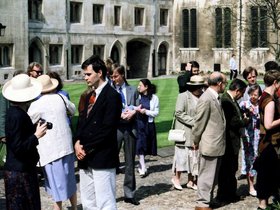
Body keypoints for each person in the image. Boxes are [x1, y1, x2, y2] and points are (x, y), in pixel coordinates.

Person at [74, 55, 122, 210]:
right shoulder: (89, 96)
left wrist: (85, 148)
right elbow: (81, 123)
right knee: (88, 202)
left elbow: (107, 129)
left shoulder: (112, 96)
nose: (85, 77)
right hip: (85, 157)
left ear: (99, 73)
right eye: (84, 74)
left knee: (105, 202)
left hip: (102, 156)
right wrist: (76, 143)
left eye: (88, 74)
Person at [28, 75, 77, 210]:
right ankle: (74, 207)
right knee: (69, 180)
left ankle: (58, 208)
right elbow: (72, 110)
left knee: (56, 185)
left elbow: (29, 121)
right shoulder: (61, 98)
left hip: (50, 149)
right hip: (66, 145)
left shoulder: (36, 104)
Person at [2, 74, 47, 210]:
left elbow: (18, 137)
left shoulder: (16, 112)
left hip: (20, 169)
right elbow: (18, 146)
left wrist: (32, 129)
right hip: (20, 172)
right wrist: (36, 136)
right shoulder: (16, 115)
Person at [191, 72, 227, 210]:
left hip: (216, 144)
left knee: (213, 177)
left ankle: (208, 200)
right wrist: (195, 141)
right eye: (225, 82)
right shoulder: (206, 99)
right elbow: (198, 123)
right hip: (209, 144)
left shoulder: (215, 97)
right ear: (219, 83)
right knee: (206, 176)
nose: (225, 85)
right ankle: (202, 203)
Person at [215, 79, 248, 205]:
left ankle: (230, 194)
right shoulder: (226, 101)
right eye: (242, 93)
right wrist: (245, 121)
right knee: (226, 170)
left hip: (232, 140)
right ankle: (224, 196)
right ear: (237, 91)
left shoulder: (231, 100)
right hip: (228, 141)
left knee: (231, 169)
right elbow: (232, 122)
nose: (241, 95)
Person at [171, 75, 206, 191]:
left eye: (201, 87)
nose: (200, 89)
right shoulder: (183, 96)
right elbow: (179, 113)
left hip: (197, 132)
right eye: (198, 87)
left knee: (194, 157)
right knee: (182, 157)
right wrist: (194, 122)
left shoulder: (203, 97)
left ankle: (191, 180)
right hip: (185, 131)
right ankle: (176, 179)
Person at [111, 65, 140, 205]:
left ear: (122, 75)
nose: (113, 79)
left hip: (130, 128)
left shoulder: (133, 89)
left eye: (116, 76)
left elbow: (139, 106)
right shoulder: (110, 90)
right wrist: (118, 114)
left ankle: (129, 194)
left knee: (129, 163)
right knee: (110, 162)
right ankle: (109, 193)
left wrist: (134, 112)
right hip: (116, 129)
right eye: (112, 76)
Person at [255, 70, 280, 210]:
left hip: (266, 142)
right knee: (266, 174)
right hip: (268, 142)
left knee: (268, 173)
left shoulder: (265, 95)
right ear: (275, 82)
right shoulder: (269, 101)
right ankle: (262, 205)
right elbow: (269, 124)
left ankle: (264, 204)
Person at [238, 66, 262, 180]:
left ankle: (255, 169)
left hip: (257, 126)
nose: (252, 79)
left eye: (254, 76)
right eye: (249, 77)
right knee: (245, 147)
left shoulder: (260, 88)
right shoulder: (244, 91)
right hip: (246, 124)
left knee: (257, 149)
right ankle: (244, 170)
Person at [239, 84, 260, 197]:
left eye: (255, 94)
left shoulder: (261, 105)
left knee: (259, 160)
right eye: (251, 94)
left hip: (259, 137)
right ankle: (251, 186)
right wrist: (246, 114)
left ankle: (259, 183)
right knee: (250, 161)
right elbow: (239, 118)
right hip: (248, 137)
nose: (253, 96)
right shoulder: (244, 104)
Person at [135, 79, 159, 177]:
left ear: (146, 87)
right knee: (140, 145)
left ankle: (142, 164)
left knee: (146, 145)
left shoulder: (154, 98)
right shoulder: (137, 96)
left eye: (140, 85)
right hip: (138, 124)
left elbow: (156, 112)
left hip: (148, 125)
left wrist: (146, 112)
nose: (138, 87)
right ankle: (142, 167)